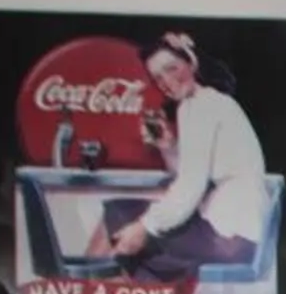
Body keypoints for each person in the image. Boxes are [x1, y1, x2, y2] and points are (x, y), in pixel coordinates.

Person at [102, 31, 268, 280]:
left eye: (172, 69)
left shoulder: (207, 105)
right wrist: (168, 146)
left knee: (123, 216)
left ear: (191, 62)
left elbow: (191, 186)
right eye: (158, 77)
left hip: (232, 238)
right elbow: (192, 176)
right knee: (123, 216)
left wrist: (145, 226)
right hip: (225, 231)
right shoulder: (190, 106)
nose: (167, 82)